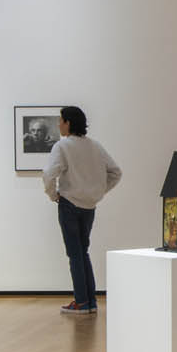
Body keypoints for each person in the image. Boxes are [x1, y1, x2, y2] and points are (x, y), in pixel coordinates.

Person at [41, 106, 120, 315]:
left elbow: (49, 174)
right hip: (89, 206)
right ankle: (90, 301)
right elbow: (115, 173)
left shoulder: (62, 146)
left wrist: (53, 194)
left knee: (75, 254)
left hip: (69, 204)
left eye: (60, 120)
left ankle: (82, 302)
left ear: (68, 123)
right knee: (82, 252)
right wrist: (98, 192)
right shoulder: (95, 146)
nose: (58, 124)